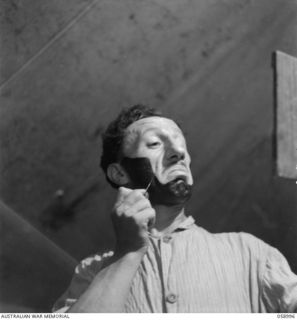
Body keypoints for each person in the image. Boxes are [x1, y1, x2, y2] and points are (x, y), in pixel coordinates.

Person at [53, 105, 297, 313]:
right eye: (155, 143)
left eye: (181, 144)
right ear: (119, 173)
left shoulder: (250, 253)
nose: (178, 152)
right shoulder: (92, 273)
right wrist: (127, 253)